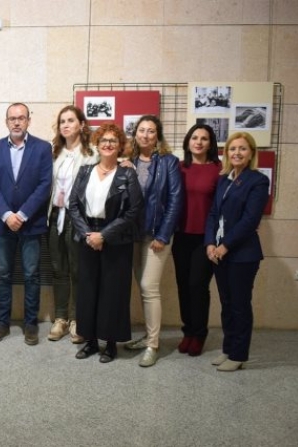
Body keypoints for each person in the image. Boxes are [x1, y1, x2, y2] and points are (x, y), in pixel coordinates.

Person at [69, 124, 142, 363]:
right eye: (103, 140)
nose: (108, 144)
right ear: (97, 144)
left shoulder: (127, 173)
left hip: (116, 239)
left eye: (113, 140)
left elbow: (133, 210)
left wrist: (105, 236)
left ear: (120, 146)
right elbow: (74, 205)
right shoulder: (85, 171)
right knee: (87, 290)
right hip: (87, 236)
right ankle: (90, 341)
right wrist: (89, 235)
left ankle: (110, 344)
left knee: (113, 293)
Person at [0, 102, 53, 345]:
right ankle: (2, 322)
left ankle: (30, 323)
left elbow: (45, 185)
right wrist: (6, 215)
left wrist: (22, 215)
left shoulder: (43, 148)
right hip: (3, 224)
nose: (16, 122)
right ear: (6, 122)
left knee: (32, 275)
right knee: (3, 274)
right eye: (12, 118)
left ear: (28, 121)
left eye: (21, 118)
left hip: (31, 224)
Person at [205, 132, 269, 372]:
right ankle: (228, 348)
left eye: (242, 149)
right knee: (227, 303)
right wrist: (210, 243)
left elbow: (250, 220)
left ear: (251, 152)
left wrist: (224, 246)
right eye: (232, 149)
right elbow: (213, 213)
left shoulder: (258, 181)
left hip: (242, 255)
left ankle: (239, 354)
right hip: (219, 252)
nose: (237, 153)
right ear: (226, 153)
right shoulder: (224, 179)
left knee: (240, 305)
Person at [124, 115, 182, 367]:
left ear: (157, 136)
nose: (145, 135)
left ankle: (152, 345)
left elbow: (175, 200)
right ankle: (148, 336)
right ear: (135, 134)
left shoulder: (169, 162)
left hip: (156, 235)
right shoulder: (129, 162)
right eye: (141, 130)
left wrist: (163, 235)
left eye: (150, 131)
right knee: (141, 286)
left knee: (149, 287)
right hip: (133, 234)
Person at [47, 105, 98, 343]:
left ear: (81, 124)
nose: (66, 125)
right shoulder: (54, 153)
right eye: (62, 122)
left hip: (78, 219)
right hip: (55, 215)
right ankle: (60, 318)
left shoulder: (92, 154)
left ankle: (78, 319)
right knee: (59, 269)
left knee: (78, 270)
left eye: (70, 120)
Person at [172, 124, 222, 356]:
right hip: (181, 235)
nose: (199, 142)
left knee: (197, 286)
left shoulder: (219, 169)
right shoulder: (179, 168)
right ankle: (188, 332)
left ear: (211, 144)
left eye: (204, 138)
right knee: (183, 286)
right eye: (195, 137)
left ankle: (199, 333)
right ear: (188, 142)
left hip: (206, 238)